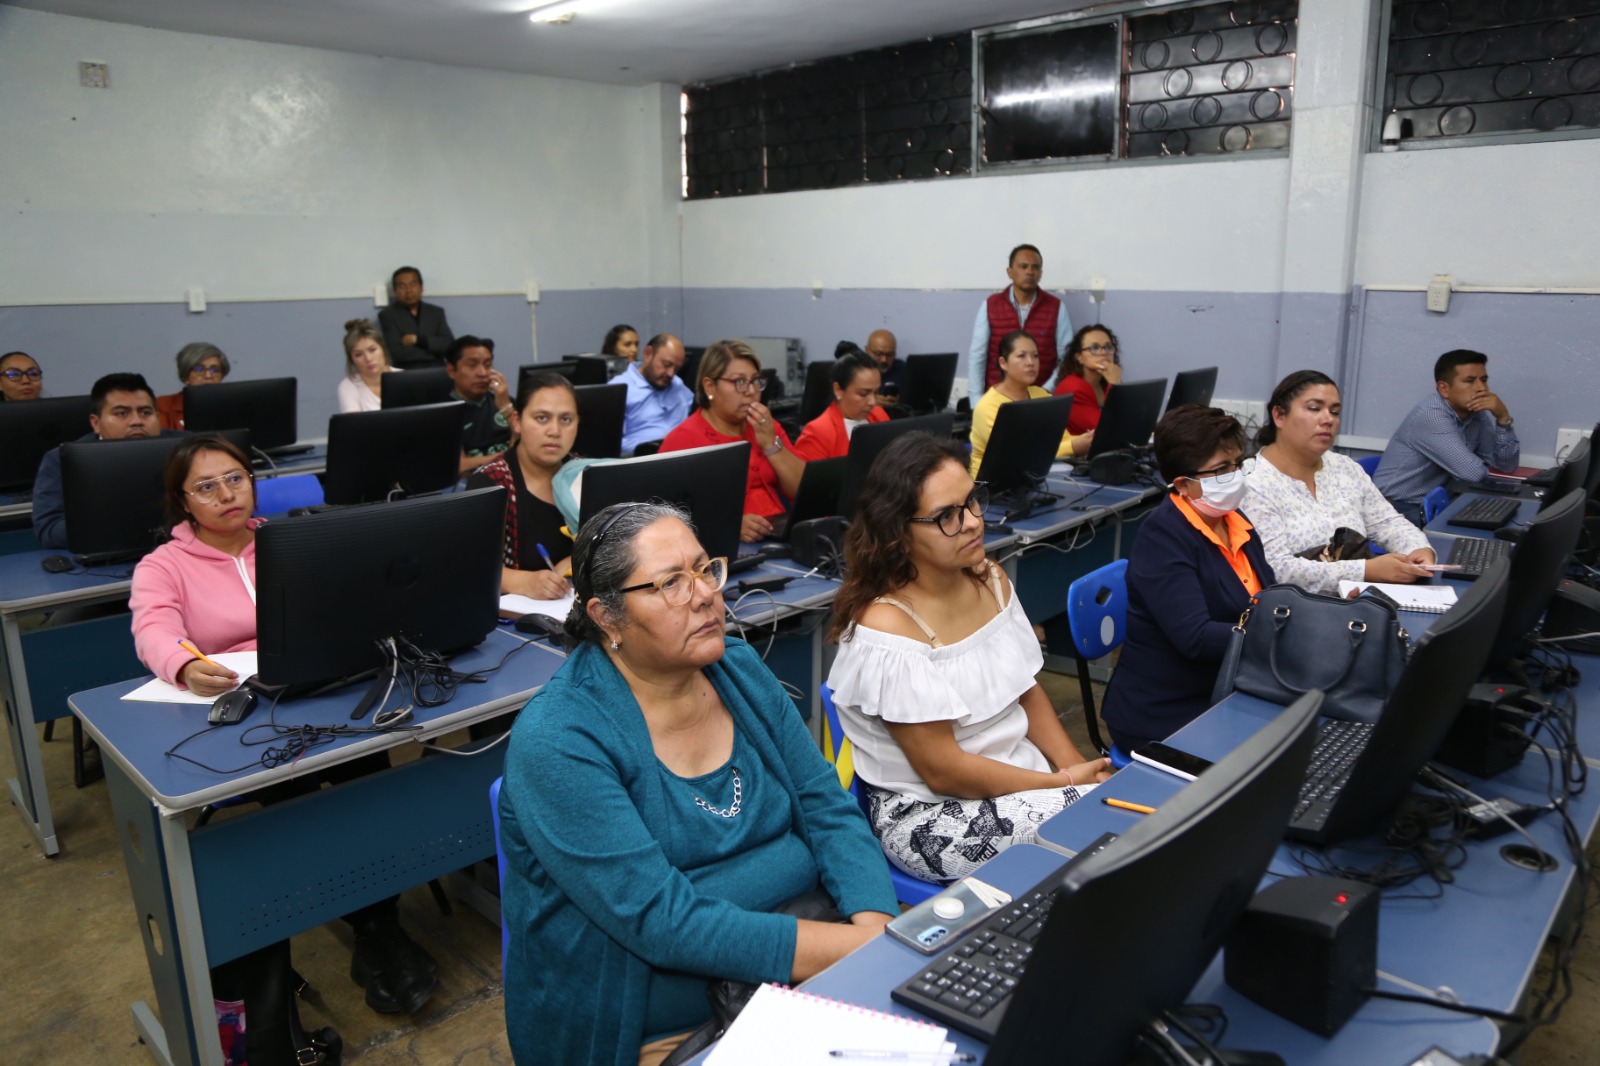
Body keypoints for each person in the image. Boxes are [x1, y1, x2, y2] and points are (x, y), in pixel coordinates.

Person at [498, 502, 898, 1065]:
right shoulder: (560, 738)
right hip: (661, 1027)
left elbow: (825, 805)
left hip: (808, 969)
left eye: (704, 569)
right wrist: (855, 951)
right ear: (607, 617)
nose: (705, 594)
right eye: (669, 584)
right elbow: (663, 923)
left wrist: (876, 928)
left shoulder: (736, 667)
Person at [128, 434, 441, 1026]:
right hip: (245, 714)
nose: (227, 494)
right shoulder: (162, 566)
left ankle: (379, 924)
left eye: (236, 478)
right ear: (182, 500)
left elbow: (353, 601)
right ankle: (376, 929)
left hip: (321, 691)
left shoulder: (294, 540)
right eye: (207, 486)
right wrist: (186, 664)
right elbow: (153, 628)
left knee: (370, 779)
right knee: (300, 802)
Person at [826, 433, 1112, 883]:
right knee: (1106, 829)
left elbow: (1026, 691)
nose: (973, 522)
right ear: (898, 533)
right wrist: (1063, 785)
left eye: (971, 502)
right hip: (932, 816)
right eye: (946, 517)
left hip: (1019, 779)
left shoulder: (988, 578)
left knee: (1110, 808)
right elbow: (943, 772)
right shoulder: (888, 629)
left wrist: (1074, 766)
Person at [1099, 405, 1273, 753]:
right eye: (1222, 470)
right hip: (1168, 710)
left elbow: (1268, 597)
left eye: (1238, 464)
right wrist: (1277, 634)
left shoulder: (1234, 520)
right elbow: (1195, 638)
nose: (1236, 476)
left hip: (1228, 687)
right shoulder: (1163, 538)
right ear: (1183, 485)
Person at [1242, 370, 1435, 596]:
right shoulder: (1252, 482)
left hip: (1357, 602)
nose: (1328, 419)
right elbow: (1275, 569)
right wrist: (1365, 571)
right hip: (1293, 613)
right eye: (1314, 408)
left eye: (1335, 412)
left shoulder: (1344, 468)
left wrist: (1418, 548)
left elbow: (1387, 522)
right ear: (1279, 416)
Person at [660, 339, 803, 543]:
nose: (752, 391)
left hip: (781, 537)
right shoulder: (684, 439)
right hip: (724, 547)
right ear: (710, 386)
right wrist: (728, 525)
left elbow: (802, 491)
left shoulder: (765, 427)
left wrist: (771, 445)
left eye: (755, 381)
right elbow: (663, 518)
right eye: (740, 382)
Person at [33, 372, 178, 550]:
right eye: (122, 413)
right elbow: (49, 529)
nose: (136, 421)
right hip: (108, 555)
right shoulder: (62, 460)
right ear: (96, 423)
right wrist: (118, 524)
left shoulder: (187, 447)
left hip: (181, 548)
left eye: (145, 412)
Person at [1373, 349, 1521, 524]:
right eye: (1470, 381)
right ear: (1444, 389)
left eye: (1484, 380)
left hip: (1432, 503)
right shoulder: (1432, 416)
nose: (1481, 388)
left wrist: (1503, 418)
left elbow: (1506, 465)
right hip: (1395, 508)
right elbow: (1472, 474)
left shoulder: (1476, 414)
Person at [465, 372, 577, 599]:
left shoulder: (582, 473)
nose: (555, 431)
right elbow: (468, 567)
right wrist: (526, 581)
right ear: (517, 421)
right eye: (542, 418)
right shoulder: (490, 483)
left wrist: (577, 559)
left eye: (566, 420)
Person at [968, 331, 1092, 477]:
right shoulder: (988, 406)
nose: (1030, 362)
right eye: (1021, 356)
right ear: (1003, 363)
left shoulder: (1041, 395)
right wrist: (1073, 447)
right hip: (989, 486)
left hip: (1033, 478)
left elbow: (1062, 438)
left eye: (1035, 356)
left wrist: (1087, 440)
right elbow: (1015, 454)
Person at [967, 244, 1071, 405]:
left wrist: (1045, 391)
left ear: (1040, 273)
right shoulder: (991, 305)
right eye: (1023, 266)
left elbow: (1066, 358)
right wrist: (975, 401)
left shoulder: (1056, 307)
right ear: (1010, 272)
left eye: (1035, 267)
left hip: (1042, 400)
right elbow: (977, 356)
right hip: (997, 400)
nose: (1029, 272)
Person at [792, 351, 889, 461]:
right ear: (838, 390)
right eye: (863, 394)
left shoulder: (879, 415)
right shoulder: (817, 433)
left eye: (876, 392)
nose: (872, 402)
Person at [445, 335, 514, 475]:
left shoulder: (504, 401)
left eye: (488, 364)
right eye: (472, 365)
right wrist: (511, 457)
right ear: (452, 371)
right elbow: (461, 466)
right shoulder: (444, 413)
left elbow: (529, 445)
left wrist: (506, 406)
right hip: (473, 483)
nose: (483, 373)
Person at [617, 332, 693, 455]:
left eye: (677, 369)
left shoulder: (677, 384)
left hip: (684, 457)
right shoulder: (621, 389)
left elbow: (698, 412)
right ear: (648, 354)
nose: (671, 374)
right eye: (666, 365)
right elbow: (611, 446)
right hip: (644, 461)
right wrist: (657, 444)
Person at [378, 266, 454, 369]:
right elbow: (395, 352)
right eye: (402, 286)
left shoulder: (436, 312)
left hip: (437, 369)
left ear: (421, 287)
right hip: (405, 371)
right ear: (395, 291)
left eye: (413, 284)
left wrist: (417, 340)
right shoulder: (387, 315)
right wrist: (434, 350)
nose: (408, 290)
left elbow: (449, 345)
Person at [1053, 325, 1123, 436]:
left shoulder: (1103, 383)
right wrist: (1115, 384)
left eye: (1108, 347)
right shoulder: (1073, 387)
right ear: (1079, 357)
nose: (1103, 352)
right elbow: (1107, 430)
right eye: (1094, 348)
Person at [156, 342, 230, 431]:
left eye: (214, 370)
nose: (208, 376)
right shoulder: (164, 405)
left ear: (222, 376)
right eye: (199, 369)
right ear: (185, 375)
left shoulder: (232, 406)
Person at [336, 318, 399, 413]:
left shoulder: (404, 377)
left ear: (383, 349)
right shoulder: (348, 386)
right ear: (352, 360)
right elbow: (354, 425)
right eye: (358, 355)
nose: (368, 358)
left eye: (372, 350)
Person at [864, 329, 907, 405]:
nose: (884, 360)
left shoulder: (903, 369)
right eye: (878, 354)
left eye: (889, 354)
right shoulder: (855, 371)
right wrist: (869, 401)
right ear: (867, 350)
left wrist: (901, 401)